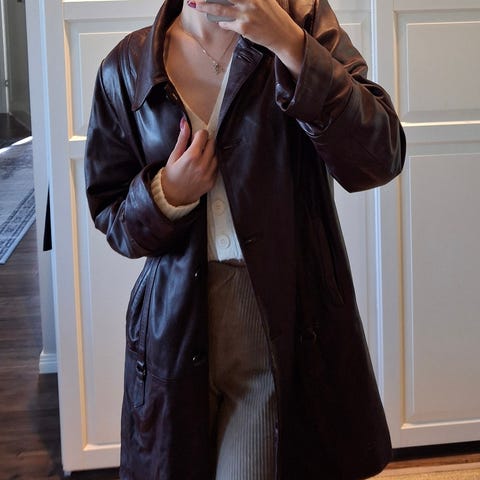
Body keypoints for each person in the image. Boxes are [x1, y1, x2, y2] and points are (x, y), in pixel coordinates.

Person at [84, 0, 406, 478]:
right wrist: (167, 193)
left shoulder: (301, 21)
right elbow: (110, 212)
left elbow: (379, 155)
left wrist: (290, 44)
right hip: (172, 334)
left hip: (275, 325)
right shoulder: (126, 67)